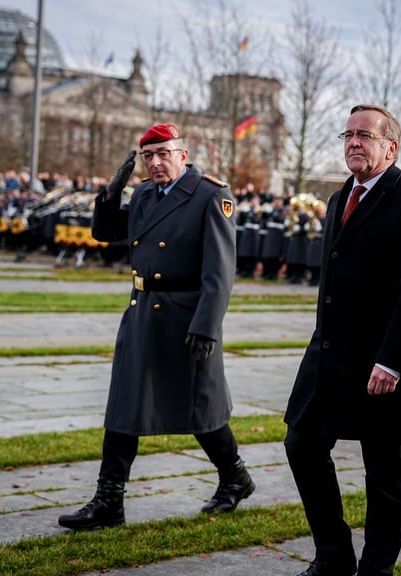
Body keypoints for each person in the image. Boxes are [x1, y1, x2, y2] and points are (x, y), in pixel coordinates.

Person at [57, 123, 254, 531]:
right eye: (149, 156)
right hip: (144, 311)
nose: (156, 162)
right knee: (125, 404)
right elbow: (106, 232)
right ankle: (109, 500)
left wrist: (207, 326)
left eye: (164, 153)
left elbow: (220, 272)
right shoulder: (145, 192)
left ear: (184, 155)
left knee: (202, 407)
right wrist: (112, 194)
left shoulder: (210, 195)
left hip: (187, 316)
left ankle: (234, 475)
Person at [283, 104, 401, 576]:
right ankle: (333, 555)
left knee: (383, 469)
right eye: (348, 134)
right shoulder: (338, 199)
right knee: (302, 444)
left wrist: (394, 360)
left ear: (390, 147)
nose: (354, 142)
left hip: (383, 363)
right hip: (330, 359)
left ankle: (378, 568)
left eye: (365, 136)